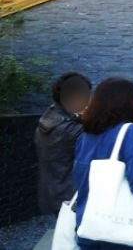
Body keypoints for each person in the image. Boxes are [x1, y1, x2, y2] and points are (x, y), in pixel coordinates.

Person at [74, 77, 133, 250]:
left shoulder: (85, 135)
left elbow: (79, 175)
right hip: (118, 224)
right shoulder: (130, 133)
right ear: (129, 103)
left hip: (88, 220)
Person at [34, 72, 92, 214]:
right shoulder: (70, 129)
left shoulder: (50, 117)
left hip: (52, 192)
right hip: (71, 197)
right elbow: (106, 139)